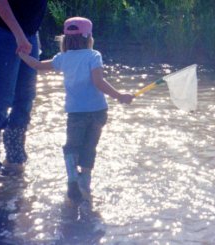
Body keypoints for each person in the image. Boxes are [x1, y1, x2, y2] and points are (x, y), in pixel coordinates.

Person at [18, 17, 134, 200]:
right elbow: (98, 82)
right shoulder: (94, 55)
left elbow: (37, 65)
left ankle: (72, 179)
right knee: (90, 146)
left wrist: (22, 54)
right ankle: (85, 183)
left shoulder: (62, 58)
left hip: (76, 113)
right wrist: (120, 96)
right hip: (98, 111)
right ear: (89, 38)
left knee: (72, 146)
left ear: (65, 39)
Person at [0, 0, 48, 171]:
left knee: (26, 95)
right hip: (1, 31)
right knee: (2, 95)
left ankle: (15, 154)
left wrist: (29, 34)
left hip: (29, 34)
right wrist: (19, 35)